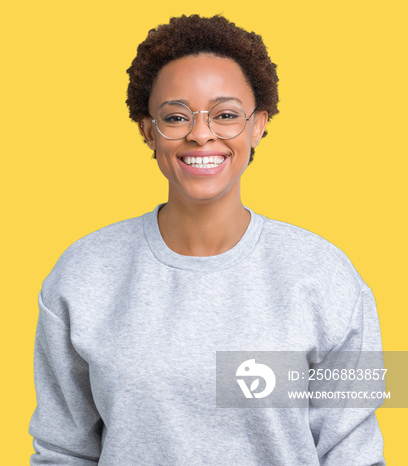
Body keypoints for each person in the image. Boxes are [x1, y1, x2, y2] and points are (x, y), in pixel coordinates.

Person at [28, 14, 385, 465]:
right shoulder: (82, 275)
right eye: (176, 116)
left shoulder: (328, 277)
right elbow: (62, 450)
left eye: (226, 115)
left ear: (258, 124)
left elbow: (355, 454)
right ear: (147, 130)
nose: (201, 134)